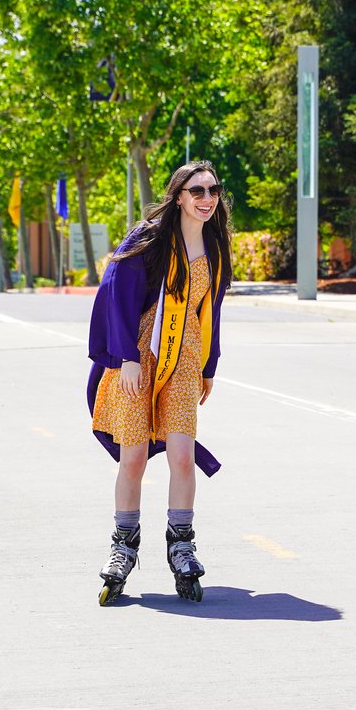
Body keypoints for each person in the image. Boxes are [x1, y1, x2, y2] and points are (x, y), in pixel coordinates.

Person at [86, 160, 233, 604]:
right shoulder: (150, 238)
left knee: (182, 455)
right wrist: (126, 358)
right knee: (132, 459)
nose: (207, 199)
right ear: (179, 196)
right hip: (140, 358)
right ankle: (122, 547)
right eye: (197, 191)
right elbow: (114, 290)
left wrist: (209, 364)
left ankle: (182, 545)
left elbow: (213, 310)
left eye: (212, 191)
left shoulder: (216, 246)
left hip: (185, 359)